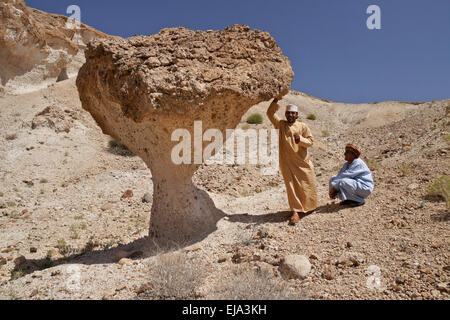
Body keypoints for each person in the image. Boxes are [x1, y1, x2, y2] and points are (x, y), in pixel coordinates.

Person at [267, 98, 318, 225]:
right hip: (287, 163)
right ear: (285, 114)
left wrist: (300, 139)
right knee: (291, 188)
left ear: (297, 115)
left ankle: (308, 207)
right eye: (288, 113)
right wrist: (276, 100)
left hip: (302, 162)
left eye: (293, 113)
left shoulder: (303, 126)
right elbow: (270, 113)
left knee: (307, 184)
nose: (290, 115)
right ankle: (296, 211)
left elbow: (311, 142)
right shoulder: (281, 125)